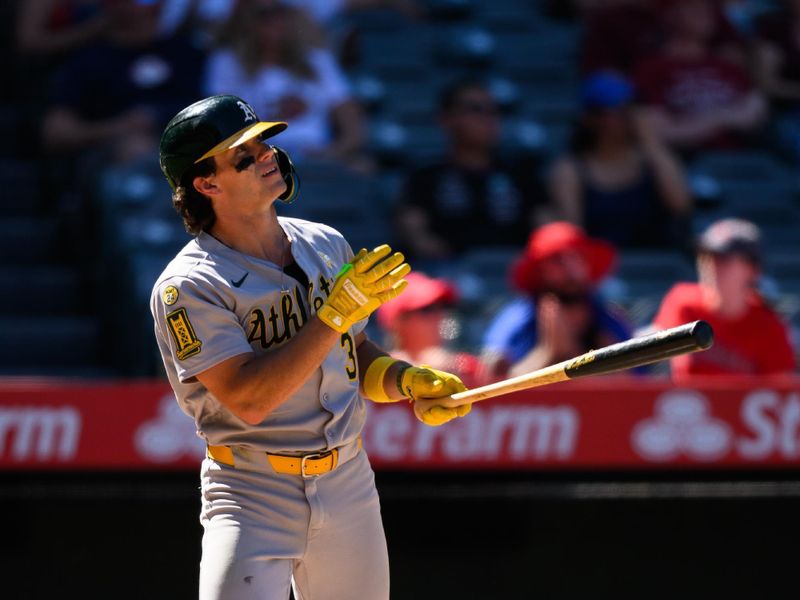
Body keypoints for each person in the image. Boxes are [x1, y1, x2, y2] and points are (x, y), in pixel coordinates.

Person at [150, 94, 471, 599]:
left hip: (348, 480)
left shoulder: (325, 243)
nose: (265, 157)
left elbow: (353, 353)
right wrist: (331, 316)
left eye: (263, 145)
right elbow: (249, 399)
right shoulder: (189, 286)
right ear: (207, 184)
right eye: (244, 155)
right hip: (251, 489)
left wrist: (405, 380)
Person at [394, 78, 546, 265]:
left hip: (516, 272)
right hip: (448, 277)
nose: (489, 119)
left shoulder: (521, 174)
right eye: (476, 110)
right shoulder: (425, 177)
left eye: (494, 111)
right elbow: (417, 236)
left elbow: (547, 229)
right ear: (447, 119)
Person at [204, 0, 367, 168]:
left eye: (281, 14)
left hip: (315, 159)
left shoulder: (317, 60)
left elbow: (352, 123)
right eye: (264, 16)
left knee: (363, 168)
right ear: (247, 19)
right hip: (255, 160)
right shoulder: (226, 63)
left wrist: (332, 152)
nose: (275, 23)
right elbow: (219, 125)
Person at [41, 0, 204, 165]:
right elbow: (56, 133)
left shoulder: (187, 53)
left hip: (190, 150)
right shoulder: (88, 61)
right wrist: (119, 127)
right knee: (137, 147)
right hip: (116, 159)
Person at [548, 71, 692, 249]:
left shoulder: (653, 159)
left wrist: (649, 140)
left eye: (626, 110)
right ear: (590, 118)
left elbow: (681, 206)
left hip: (654, 268)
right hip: (599, 270)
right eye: (611, 111)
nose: (621, 119)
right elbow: (573, 234)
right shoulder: (570, 169)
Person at [481, 222, 632, 381]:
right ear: (540, 270)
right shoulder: (517, 319)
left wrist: (575, 354)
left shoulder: (609, 319)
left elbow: (636, 382)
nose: (571, 269)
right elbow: (494, 381)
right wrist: (547, 353)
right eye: (557, 260)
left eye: (578, 258)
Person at [652, 218, 795, 379]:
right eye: (706, 256)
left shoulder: (770, 326)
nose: (711, 265)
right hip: (684, 403)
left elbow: (780, 392)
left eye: (724, 258)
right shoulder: (682, 302)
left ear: (752, 269)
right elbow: (651, 363)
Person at [633, 0, 767, 154]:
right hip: (690, 161)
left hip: (745, 156)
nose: (705, 14)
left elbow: (755, 111)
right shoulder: (651, 68)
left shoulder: (726, 65)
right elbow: (659, 131)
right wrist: (725, 117)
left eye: (708, 8)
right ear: (670, 15)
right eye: (694, 8)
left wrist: (702, 123)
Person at [376, 271, 485, 387]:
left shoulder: (464, 366)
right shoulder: (374, 374)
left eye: (443, 306)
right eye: (427, 309)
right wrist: (422, 370)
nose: (439, 316)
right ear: (398, 321)